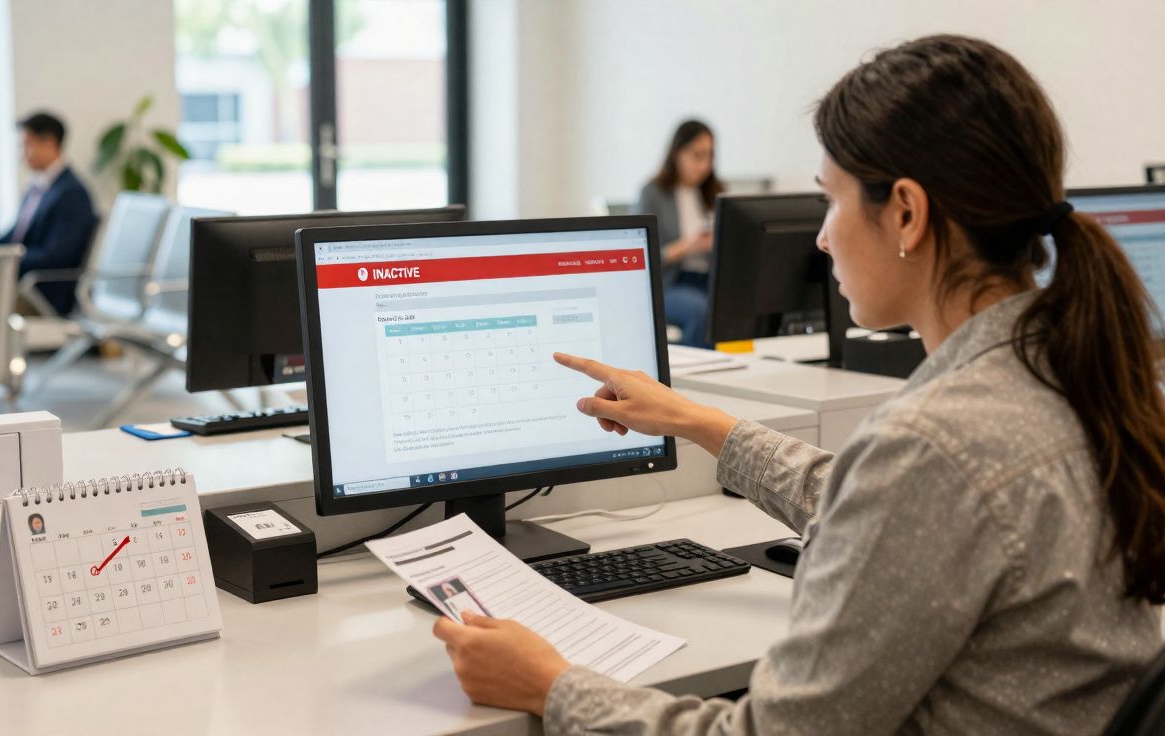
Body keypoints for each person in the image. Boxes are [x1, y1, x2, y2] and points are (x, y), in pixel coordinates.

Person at [434, 35, 1165, 734]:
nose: (821, 236)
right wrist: (699, 422)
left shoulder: (933, 446)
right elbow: (887, 512)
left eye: (829, 201)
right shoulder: (1071, 372)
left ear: (906, 212)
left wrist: (550, 686)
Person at [0, 111, 98, 316]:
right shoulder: (38, 187)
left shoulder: (71, 193)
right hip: (24, 283)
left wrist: (8, 261)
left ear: (49, 143)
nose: (22, 154)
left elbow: (56, 256)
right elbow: (16, 234)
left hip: (42, 292)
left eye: (27, 145)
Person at [634, 120, 725, 348]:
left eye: (709, 156)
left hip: (709, 279)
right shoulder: (653, 193)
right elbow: (641, 258)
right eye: (697, 156)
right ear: (677, 153)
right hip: (669, 283)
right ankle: (698, 367)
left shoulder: (714, 193)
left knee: (736, 303)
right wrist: (689, 246)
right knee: (702, 311)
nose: (705, 165)